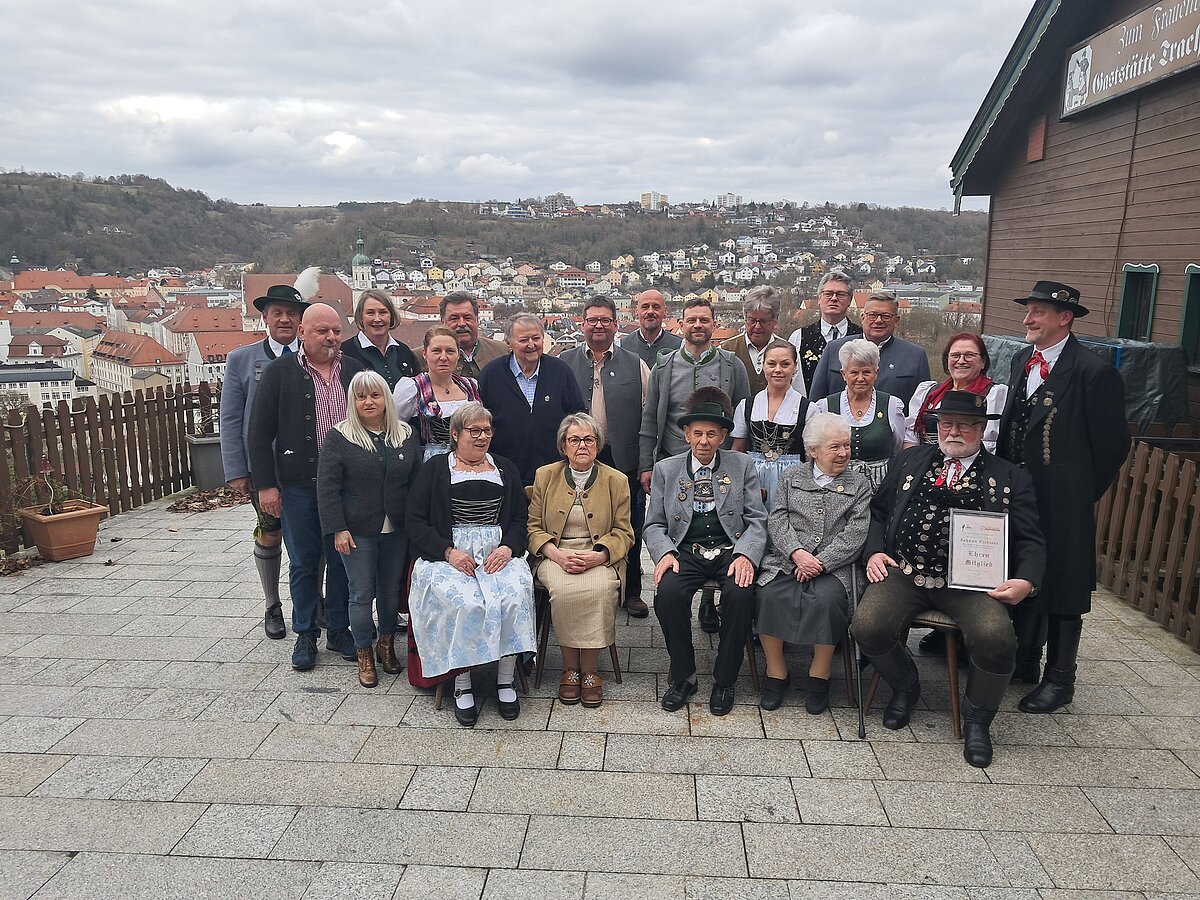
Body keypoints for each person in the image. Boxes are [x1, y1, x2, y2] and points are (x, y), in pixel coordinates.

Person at [852, 391, 1045, 768]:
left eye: (964, 425)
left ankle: (978, 720)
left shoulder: (1010, 476)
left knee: (996, 638)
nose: (953, 432)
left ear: (981, 428)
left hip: (972, 584)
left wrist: (1025, 580)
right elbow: (878, 512)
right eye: (945, 424)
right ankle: (906, 686)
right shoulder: (909, 460)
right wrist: (874, 551)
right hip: (905, 572)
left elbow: (1031, 540)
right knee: (866, 626)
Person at [998, 281, 1130, 711]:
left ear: (1064, 317)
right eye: (1028, 311)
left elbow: (1113, 447)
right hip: (1019, 493)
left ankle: (1060, 679)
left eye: (1037, 312)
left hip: (1064, 500)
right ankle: (1025, 660)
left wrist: (1078, 493)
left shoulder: (1093, 372)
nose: (1027, 319)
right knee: (1023, 570)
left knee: (1063, 584)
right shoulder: (1021, 360)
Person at [249, 303, 365, 671]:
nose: (331, 337)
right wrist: (266, 486)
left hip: (346, 487)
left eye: (336, 331)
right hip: (299, 485)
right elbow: (258, 433)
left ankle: (339, 629)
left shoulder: (355, 372)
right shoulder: (280, 373)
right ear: (302, 333)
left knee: (343, 560)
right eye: (322, 331)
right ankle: (305, 632)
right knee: (303, 562)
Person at [405, 403, 537, 726]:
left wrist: (508, 547)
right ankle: (462, 683)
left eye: (487, 431)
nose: (482, 437)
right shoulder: (435, 469)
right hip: (449, 556)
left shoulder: (504, 467)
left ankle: (505, 680)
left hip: (496, 554)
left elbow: (520, 518)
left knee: (514, 595)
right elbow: (415, 521)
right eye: (474, 431)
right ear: (455, 434)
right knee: (464, 602)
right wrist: (448, 552)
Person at [644, 388, 768, 716]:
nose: (704, 441)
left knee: (741, 594)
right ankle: (683, 675)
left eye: (712, 434)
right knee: (667, 594)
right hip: (685, 550)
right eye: (697, 433)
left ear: (723, 437)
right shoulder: (666, 469)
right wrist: (665, 553)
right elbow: (653, 524)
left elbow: (757, 519)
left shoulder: (741, 465)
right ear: (686, 434)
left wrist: (746, 555)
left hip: (730, 549)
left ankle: (725, 680)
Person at [639, 298, 751, 635]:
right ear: (681, 324)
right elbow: (649, 418)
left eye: (704, 319)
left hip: (721, 462)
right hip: (672, 462)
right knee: (681, 526)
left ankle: (708, 601)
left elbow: (741, 418)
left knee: (717, 525)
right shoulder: (665, 366)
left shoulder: (732, 366)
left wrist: (736, 459)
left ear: (714, 324)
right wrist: (647, 464)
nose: (698, 325)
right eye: (691, 320)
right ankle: (679, 583)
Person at [755, 412, 871, 714]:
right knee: (768, 594)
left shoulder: (859, 483)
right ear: (813, 450)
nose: (843, 453)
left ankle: (820, 674)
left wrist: (820, 562)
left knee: (827, 601)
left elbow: (856, 533)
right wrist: (796, 553)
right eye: (835, 447)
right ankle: (776, 672)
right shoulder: (792, 476)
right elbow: (777, 518)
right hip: (788, 559)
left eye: (846, 445)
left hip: (835, 566)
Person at [317, 371, 422, 688]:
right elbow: (327, 489)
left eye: (375, 395)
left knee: (390, 591)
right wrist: (338, 529)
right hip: (356, 530)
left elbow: (416, 482)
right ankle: (364, 652)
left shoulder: (405, 434)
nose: (368, 402)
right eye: (361, 396)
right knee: (361, 593)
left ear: (386, 398)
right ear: (353, 401)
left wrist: (416, 525)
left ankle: (386, 646)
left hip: (396, 529)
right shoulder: (340, 437)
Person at [527, 413, 634, 708]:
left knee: (600, 589)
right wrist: (557, 555)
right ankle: (570, 669)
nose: (582, 445)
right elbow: (533, 528)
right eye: (574, 440)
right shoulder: (545, 476)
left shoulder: (617, 480)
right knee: (563, 591)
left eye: (589, 439)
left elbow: (624, 533)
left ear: (598, 445)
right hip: (555, 554)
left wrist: (599, 556)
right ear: (563, 446)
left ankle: (590, 671)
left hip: (598, 556)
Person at [220, 282, 306, 639]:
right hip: (265, 466)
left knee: (311, 536)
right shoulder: (242, 359)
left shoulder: (314, 356)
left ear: (301, 320)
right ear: (265, 318)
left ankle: (310, 603)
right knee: (271, 532)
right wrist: (236, 470)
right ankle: (272, 603)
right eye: (277, 313)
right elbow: (230, 417)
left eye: (291, 314)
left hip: (308, 465)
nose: (285, 319)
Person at [560, 298, 651, 617]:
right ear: (582, 324)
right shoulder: (564, 361)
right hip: (577, 459)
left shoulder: (635, 364)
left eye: (605, 320)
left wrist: (645, 463)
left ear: (616, 324)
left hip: (623, 458)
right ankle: (580, 585)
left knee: (630, 525)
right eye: (592, 320)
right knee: (580, 523)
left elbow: (648, 416)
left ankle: (632, 591)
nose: (598, 325)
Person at [478, 313, 585, 485]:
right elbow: (481, 423)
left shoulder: (561, 371)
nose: (531, 345)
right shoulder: (491, 375)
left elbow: (578, 418)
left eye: (536, 338)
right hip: (505, 474)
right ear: (508, 343)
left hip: (555, 473)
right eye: (523, 340)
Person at [810, 339, 907, 491]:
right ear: (843, 374)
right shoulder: (825, 406)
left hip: (881, 489)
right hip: (836, 487)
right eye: (854, 372)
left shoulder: (892, 405)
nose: (860, 378)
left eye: (866, 372)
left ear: (876, 373)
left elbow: (897, 446)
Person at [809, 291, 930, 411]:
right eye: (872, 315)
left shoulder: (915, 356)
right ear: (862, 318)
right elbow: (816, 401)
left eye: (886, 316)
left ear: (897, 320)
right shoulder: (834, 349)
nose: (878, 320)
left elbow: (923, 407)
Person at [731, 342, 811, 505]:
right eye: (772, 364)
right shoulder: (746, 406)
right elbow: (737, 450)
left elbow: (811, 457)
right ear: (763, 366)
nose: (778, 370)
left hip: (793, 482)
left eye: (785, 364)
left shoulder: (808, 408)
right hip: (752, 481)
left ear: (795, 367)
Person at [906, 332, 1008, 452]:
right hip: (924, 460)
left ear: (983, 362)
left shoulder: (996, 395)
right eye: (955, 355)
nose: (961, 361)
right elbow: (910, 438)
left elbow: (993, 443)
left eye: (969, 355)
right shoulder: (928, 391)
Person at [394, 325, 481, 461]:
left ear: (458, 354)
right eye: (436, 351)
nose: (443, 357)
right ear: (424, 354)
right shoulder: (412, 388)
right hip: (430, 465)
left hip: (470, 462)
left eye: (450, 351)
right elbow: (394, 428)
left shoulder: (470, 386)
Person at [721, 286, 800, 398]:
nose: (757, 326)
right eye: (752, 320)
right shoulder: (726, 350)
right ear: (745, 318)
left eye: (764, 321)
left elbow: (798, 394)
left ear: (775, 320)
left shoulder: (788, 352)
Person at [789, 272, 862, 393]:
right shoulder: (799, 337)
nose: (834, 298)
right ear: (819, 298)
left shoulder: (862, 337)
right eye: (828, 294)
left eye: (840, 294)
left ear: (850, 300)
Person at [340, 289, 419, 390]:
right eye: (370, 313)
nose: (377, 319)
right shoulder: (344, 352)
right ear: (360, 317)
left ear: (391, 316)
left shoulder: (404, 351)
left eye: (383, 312)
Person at [440, 291, 507, 379]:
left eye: (467, 317)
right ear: (443, 322)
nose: (462, 323)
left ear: (477, 320)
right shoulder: (427, 357)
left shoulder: (502, 352)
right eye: (454, 318)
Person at [620, 288, 681, 368]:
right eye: (645, 307)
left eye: (656, 307)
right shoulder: (621, 347)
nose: (650, 312)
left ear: (665, 312)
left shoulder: (680, 348)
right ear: (637, 312)